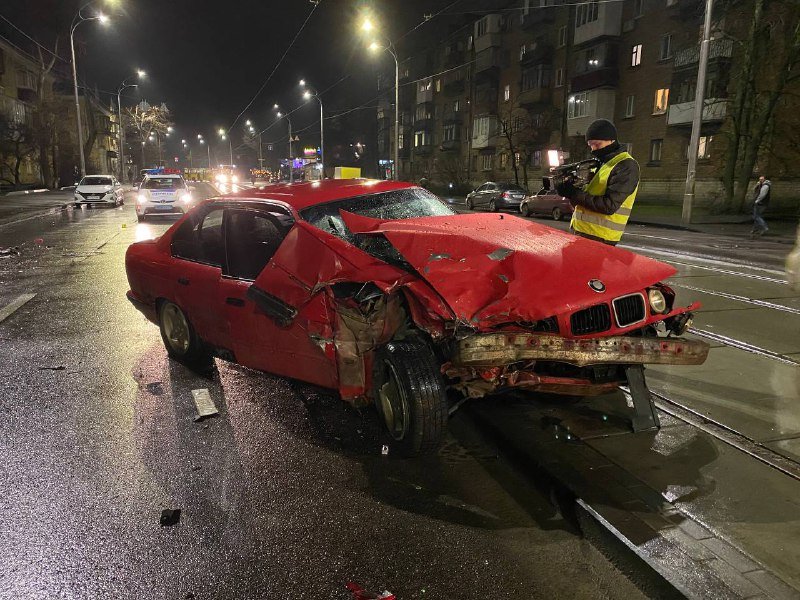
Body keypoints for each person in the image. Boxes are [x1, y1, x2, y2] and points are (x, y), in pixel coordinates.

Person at [556, 119, 639, 246]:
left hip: (601, 237)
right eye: (590, 145)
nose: (594, 149)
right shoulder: (601, 162)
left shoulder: (626, 165)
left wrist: (574, 194)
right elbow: (585, 199)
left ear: (611, 140)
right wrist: (569, 191)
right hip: (581, 232)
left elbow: (609, 205)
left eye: (597, 144)